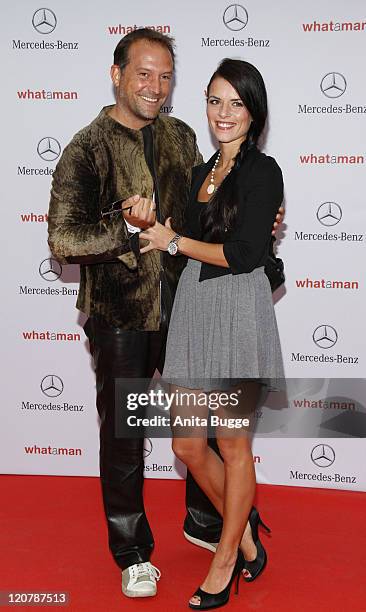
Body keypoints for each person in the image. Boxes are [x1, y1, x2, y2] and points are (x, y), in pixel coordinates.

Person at [47, 29, 284, 600]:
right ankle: (131, 552)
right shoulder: (88, 147)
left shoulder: (182, 140)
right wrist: (128, 233)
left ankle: (215, 527)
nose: (155, 86)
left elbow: (206, 225)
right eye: (143, 73)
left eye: (165, 76)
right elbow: (64, 239)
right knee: (133, 437)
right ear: (116, 74)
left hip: (189, 311)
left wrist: (261, 228)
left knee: (210, 438)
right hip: (123, 315)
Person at [138, 58, 284, 609]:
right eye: (214, 100)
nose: (223, 113)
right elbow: (198, 244)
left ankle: (225, 559)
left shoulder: (263, 172)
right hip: (197, 310)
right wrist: (159, 231)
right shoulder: (204, 171)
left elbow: (246, 254)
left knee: (232, 445)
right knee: (187, 445)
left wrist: (171, 241)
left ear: (254, 111)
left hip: (238, 313)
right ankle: (243, 533)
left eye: (236, 103)